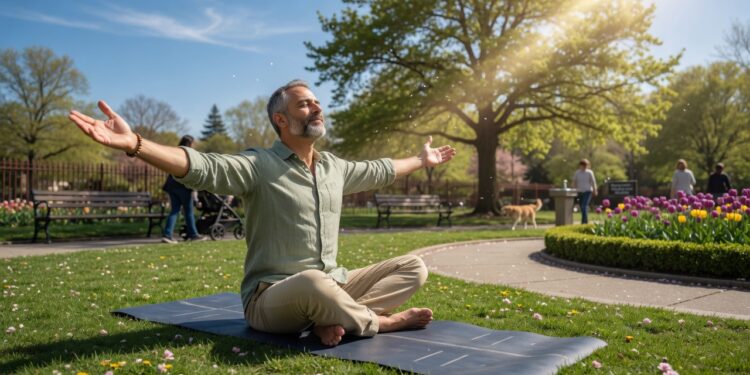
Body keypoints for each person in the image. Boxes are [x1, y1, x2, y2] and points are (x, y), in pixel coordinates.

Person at [68, 79, 456, 347]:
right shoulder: (259, 164)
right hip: (271, 300)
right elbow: (201, 166)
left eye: (316, 101)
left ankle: (332, 318)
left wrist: (421, 161)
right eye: (305, 103)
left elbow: (380, 169)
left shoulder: (333, 167)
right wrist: (134, 143)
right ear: (281, 121)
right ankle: (379, 323)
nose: (316, 106)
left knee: (414, 266)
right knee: (311, 282)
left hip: (331, 284)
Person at [161, 135, 205, 243]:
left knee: (175, 210)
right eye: (193, 143)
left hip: (172, 185)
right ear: (190, 144)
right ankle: (193, 234)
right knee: (188, 211)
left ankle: (167, 235)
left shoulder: (175, 152)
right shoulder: (189, 155)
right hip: (183, 186)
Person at [571, 159, 597, 224]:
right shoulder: (577, 173)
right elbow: (574, 181)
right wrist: (573, 189)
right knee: (582, 207)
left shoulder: (590, 172)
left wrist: (595, 190)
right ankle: (584, 220)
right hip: (580, 192)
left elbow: (593, 182)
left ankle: (584, 222)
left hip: (587, 191)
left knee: (584, 206)